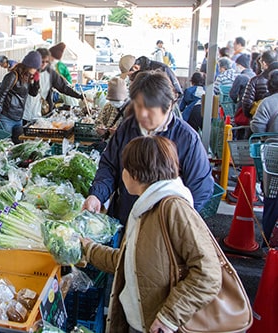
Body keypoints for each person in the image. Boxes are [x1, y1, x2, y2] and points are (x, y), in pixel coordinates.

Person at [81, 135, 221, 333]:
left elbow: (209, 274)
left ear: (135, 174)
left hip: (158, 326)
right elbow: (130, 262)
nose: (122, 174)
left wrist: (168, 318)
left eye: (124, 168)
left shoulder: (174, 209)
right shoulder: (144, 207)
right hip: (139, 321)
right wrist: (88, 249)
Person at [82, 71, 214, 225]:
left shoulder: (187, 139)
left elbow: (201, 188)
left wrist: (174, 221)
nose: (142, 115)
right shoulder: (127, 127)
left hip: (163, 228)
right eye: (138, 106)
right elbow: (109, 166)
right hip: (125, 218)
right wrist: (97, 195)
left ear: (169, 105)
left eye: (150, 109)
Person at [250, 70, 278, 247]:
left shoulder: (268, 103)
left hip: (273, 157)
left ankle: (267, 240)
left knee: (272, 197)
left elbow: (257, 127)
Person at [0, 50, 41, 142]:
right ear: (29, 65)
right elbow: (1, 93)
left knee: (17, 145)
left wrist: (36, 81)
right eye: (35, 68)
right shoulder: (12, 76)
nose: (36, 71)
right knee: (5, 146)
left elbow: (33, 93)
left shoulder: (27, 78)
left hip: (19, 118)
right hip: (6, 117)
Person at [23, 48, 84, 122]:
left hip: (43, 113)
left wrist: (80, 96)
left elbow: (63, 87)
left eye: (46, 62)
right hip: (24, 113)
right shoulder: (26, 73)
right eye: (42, 61)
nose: (44, 64)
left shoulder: (51, 73)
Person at [242, 50, 278, 118]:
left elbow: (246, 104)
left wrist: (251, 116)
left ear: (264, 63)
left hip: (259, 118)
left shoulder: (255, 81)